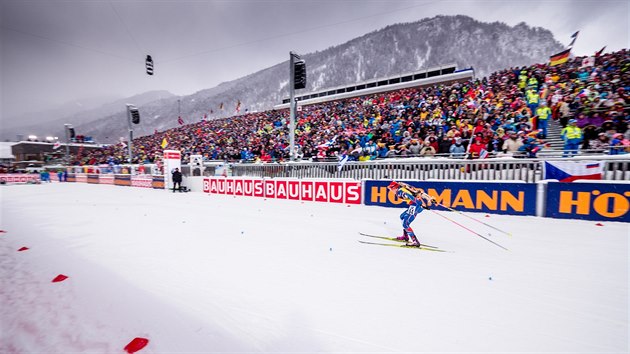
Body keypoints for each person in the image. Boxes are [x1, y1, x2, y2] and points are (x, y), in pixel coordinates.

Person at [387, 181, 435, 247]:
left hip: (415, 205)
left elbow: (410, 196)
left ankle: (415, 241)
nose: (391, 190)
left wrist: (421, 203)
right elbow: (419, 193)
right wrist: (429, 198)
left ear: (395, 188)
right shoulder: (404, 188)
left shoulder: (400, 192)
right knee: (402, 217)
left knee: (405, 224)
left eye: (391, 189)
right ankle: (405, 236)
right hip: (415, 205)